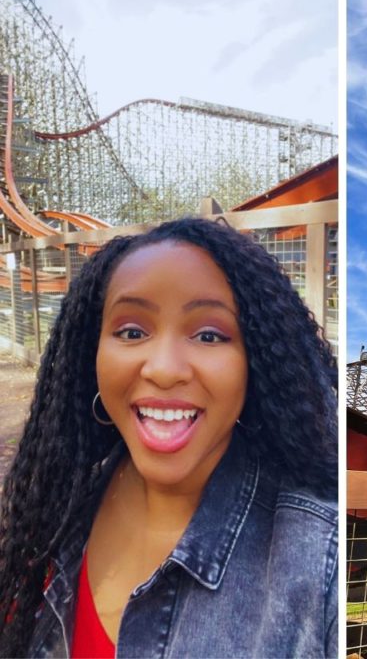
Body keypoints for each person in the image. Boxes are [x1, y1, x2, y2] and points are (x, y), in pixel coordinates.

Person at [0, 218, 338, 657]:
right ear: (93, 354)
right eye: (132, 332)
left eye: (209, 335)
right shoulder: (54, 505)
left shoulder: (317, 560)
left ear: (254, 364)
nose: (163, 368)